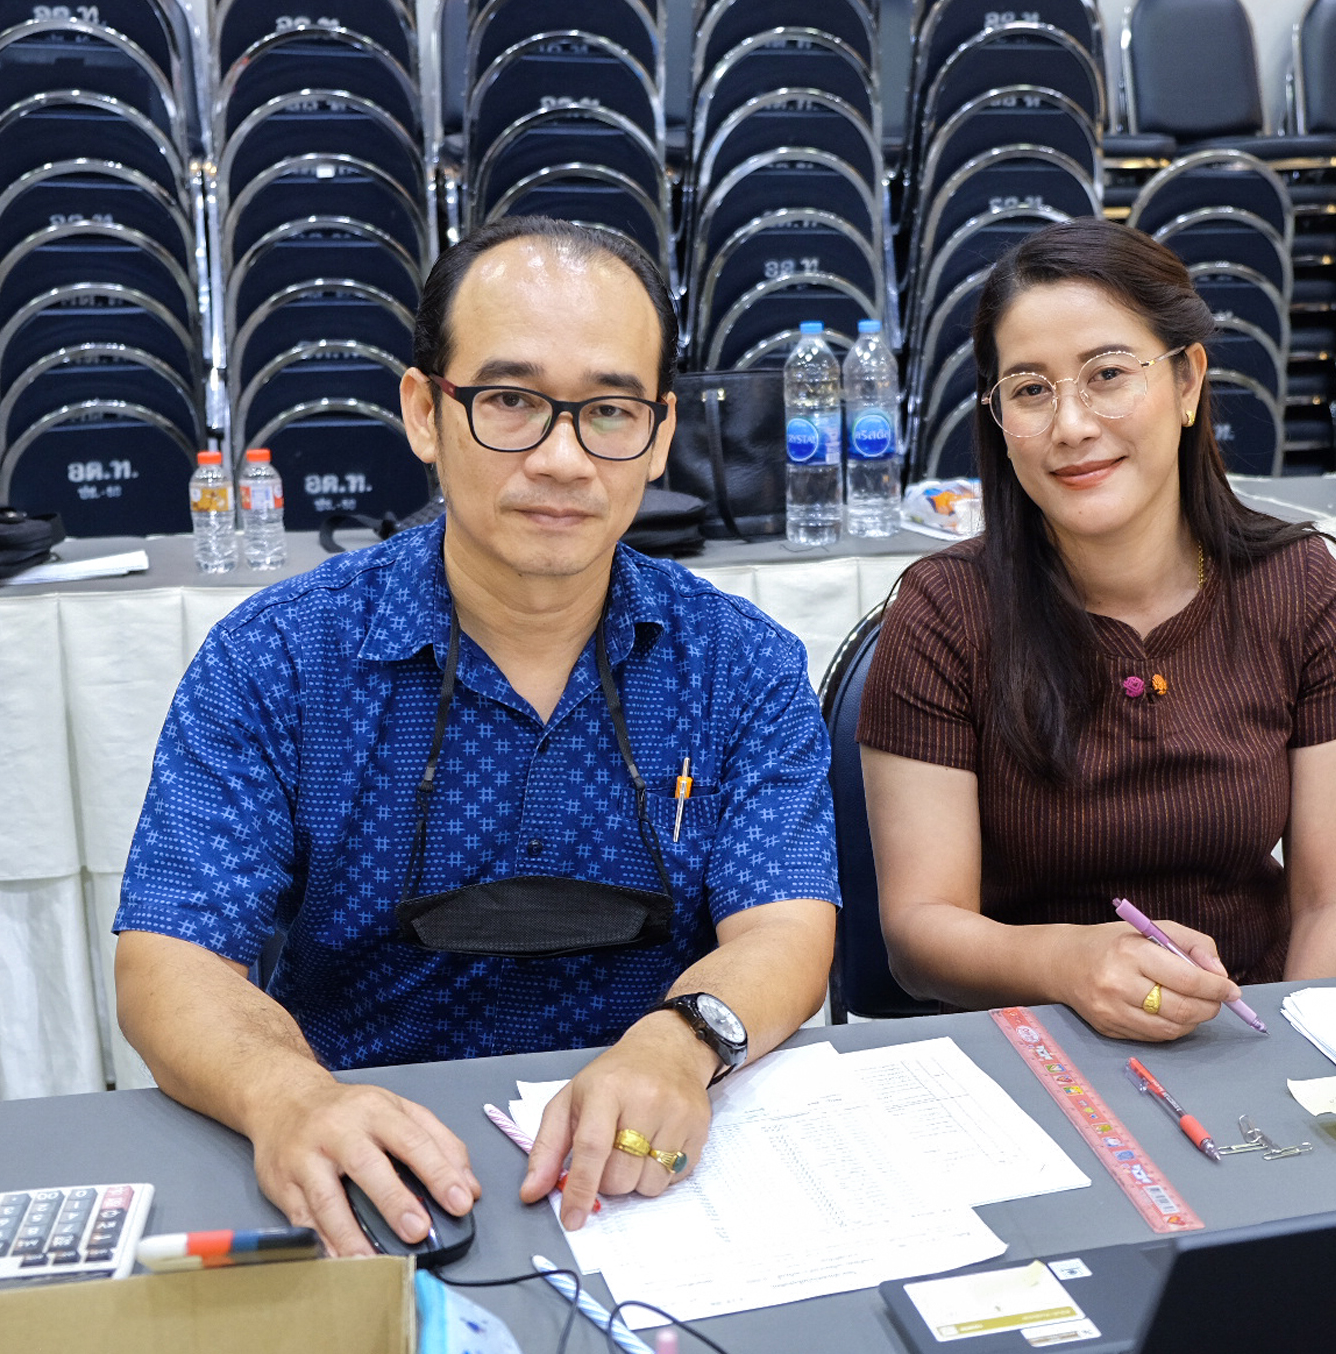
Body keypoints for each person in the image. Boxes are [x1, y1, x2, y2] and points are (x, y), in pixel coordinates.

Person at [113, 216, 839, 1256]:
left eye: (608, 411)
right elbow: (169, 958)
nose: (560, 457)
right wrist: (285, 1099)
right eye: (508, 402)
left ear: (659, 433)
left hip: (660, 1164)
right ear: (422, 409)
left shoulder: (740, 662)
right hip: (371, 1157)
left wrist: (681, 1047)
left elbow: (784, 929)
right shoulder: (276, 659)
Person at [857, 217, 1336, 1042]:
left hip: (1253, 1030)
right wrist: (1069, 965)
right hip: (1029, 1046)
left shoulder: (1304, 590)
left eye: (1107, 374)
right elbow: (920, 933)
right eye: (1031, 389)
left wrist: (1298, 1061)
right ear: (999, 418)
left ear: (1186, 381)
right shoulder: (941, 614)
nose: (1071, 424)